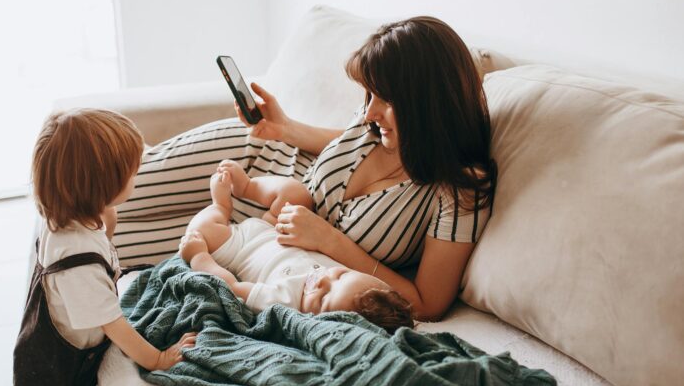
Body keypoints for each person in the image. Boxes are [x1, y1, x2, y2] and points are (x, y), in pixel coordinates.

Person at [113, 16, 496, 323]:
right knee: (106, 193)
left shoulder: (458, 190)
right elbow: (340, 142)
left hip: (251, 247)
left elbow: (426, 304)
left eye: (386, 99)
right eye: (370, 95)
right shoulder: (376, 125)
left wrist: (329, 241)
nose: (370, 112)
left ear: (428, 105)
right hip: (252, 164)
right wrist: (286, 128)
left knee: (111, 250)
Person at [13, 109, 197, 386]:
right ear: (101, 186)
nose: (137, 175)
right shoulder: (77, 267)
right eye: (133, 172)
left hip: (49, 363)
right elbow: (115, 326)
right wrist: (158, 359)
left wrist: (105, 220)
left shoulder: (66, 215)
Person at [176, 161, 414, 333]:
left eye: (323, 299)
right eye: (340, 274)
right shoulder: (348, 281)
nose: (323, 280)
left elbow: (232, 287)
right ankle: (247, 187)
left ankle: (220, 206)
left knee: (200, 232)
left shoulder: (285, 301)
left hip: (236, 247)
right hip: (274, 229)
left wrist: (199, 257)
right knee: (297, 194)